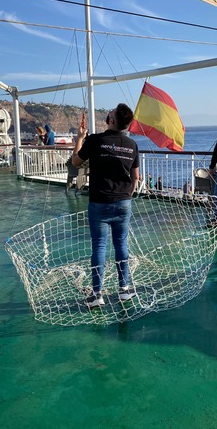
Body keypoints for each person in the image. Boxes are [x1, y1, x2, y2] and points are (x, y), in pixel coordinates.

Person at [71, 103, 140, 308]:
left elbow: (76, 161)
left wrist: (80, 138)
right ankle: (124, 289)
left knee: (99, 246)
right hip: (123, 202)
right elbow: (136, 177)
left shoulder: (95, 140)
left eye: (110, 112)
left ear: (111, 120)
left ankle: (97, 294)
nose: (108, 113)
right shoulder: (131, 144)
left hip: (100, 202)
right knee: (121, 245)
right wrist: (128, 193)